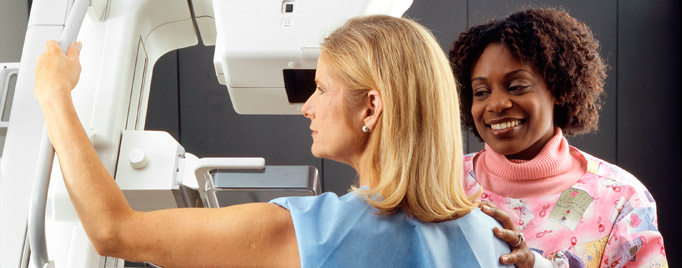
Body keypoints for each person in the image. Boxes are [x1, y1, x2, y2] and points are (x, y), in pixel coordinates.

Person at [35, 15, 511, 267]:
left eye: (322, 89)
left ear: (371, 107)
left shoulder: (309, 232)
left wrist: (55, 95)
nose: (308, 106)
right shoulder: (495, 240)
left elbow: (113, 231)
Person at [449, 8, 668, 268]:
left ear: (559, 87)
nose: (496, 104)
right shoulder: (441, 184)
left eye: (517, 86)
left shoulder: (622, 199)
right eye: (481, 92)